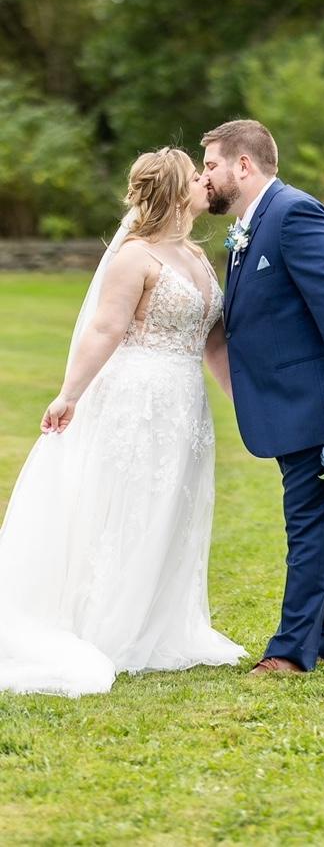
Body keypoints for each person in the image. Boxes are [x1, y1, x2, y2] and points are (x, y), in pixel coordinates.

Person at [0, 148, 245, 697]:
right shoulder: (134, 257)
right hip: (137, 399)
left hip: (185, 403)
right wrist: (69, 395)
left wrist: (241, 400)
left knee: (173, 506)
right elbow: (106, 329)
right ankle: (107, 625)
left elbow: (213, 341)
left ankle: (156, 624)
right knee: (127, 504)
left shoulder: (196, 256)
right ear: (176, 193)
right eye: (197, 177)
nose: (206, 182)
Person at [201, 119, 324, 675]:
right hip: (286, 400)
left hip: (316, 400)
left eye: (210, 165)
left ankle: (290, 653)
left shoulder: (295, 213)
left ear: (243, 165)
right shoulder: (250, 226)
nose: (204, 178)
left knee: (308, 523)